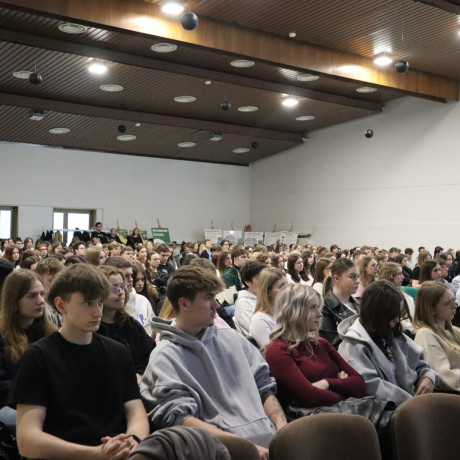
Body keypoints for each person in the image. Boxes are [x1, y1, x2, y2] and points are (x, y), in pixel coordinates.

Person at [140, 266, 287, 460]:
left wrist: (282, 427)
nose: (216, 305)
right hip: (223, 452)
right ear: (184, 304)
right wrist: (244, 448)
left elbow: (264, 387)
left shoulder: (232, 338)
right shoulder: (164, 357)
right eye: (208, 298)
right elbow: (180, 419)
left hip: (269, 441)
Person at [9, 264, 149, 459]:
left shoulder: (118, 353)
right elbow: (27, 440)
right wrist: (94, 454)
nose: (97, 312)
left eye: (100, 303)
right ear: (61, 305)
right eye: (87, 303)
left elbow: (136, 412)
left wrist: (132, 440)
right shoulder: (37, 357)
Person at [338, 280, 439, 406]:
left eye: (398, 314)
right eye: (392, 315)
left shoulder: (389, 332)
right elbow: (370, 388)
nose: (397, 320)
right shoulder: (353, 346)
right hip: (390, 410)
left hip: (411, 404)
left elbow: (421, 366)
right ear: (377, 314)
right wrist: (413, 404)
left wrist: (428, 378)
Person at [265, 284, 366, 408]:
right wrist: (344, 386)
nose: (320, 314)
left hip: (343, 411)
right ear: (292, 311)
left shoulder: (321, 343)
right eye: (312, 307)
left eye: (318, 307)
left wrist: (327, 383)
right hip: (315, 418)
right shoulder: (278, 350)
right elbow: (310, 397)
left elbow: (360, 384)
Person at [0, 270, 56, 434]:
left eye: (42, 294)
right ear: (14, 301)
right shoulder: (2, 336)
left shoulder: (50, 332)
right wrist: (39, 398)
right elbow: (2, 386)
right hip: (12, 405)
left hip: (47, 402)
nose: (40, 301)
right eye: (32, 296)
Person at [97, 266, 155, 384]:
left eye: (122, 287)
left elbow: (150, 351)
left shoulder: (130, 324)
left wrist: (139, 373)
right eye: (114, 288)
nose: (121, 292)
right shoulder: (93, 329)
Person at [414, 281, 460, 392]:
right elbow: (445, 377)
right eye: (447, 303)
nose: (454, 306)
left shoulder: (452, 330)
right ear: (432, 309)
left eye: (453, 300)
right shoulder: (425, 334)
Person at [104, 257, 155, 336]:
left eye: (131, 275)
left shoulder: (143, 301)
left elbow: (154, 330)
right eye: (126, 276)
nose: (131, 279)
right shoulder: (110, 306)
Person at [320, 259, 359, 348]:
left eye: (358, 276)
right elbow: (332, 343)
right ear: (336, 278)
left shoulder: (359, 303)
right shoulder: (324, 307)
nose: (358, 281)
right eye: (353, 277)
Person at [249, 268, 288, 348]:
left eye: (287, 285)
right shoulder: (259, 320)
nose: (288, 290)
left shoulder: (285, 311)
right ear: (268, 292)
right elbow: (273, 352)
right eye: (282, 287)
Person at [378, 262, 415, 336]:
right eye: (399, 274)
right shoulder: (383, 297)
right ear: (390, 276)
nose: (403, 277)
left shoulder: (407, 296)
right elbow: (400, 323)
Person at [234, 262, 266, 337]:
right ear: (248, 282)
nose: (265, 282)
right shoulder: (244, 303)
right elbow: (257, 332)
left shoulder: (262, 296)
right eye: (261, 279)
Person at [36, 257, 65, 328]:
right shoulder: (38, 306)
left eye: (57, 280)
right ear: (39, 280)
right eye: (50, 280)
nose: (54, 284)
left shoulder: (62, 302)